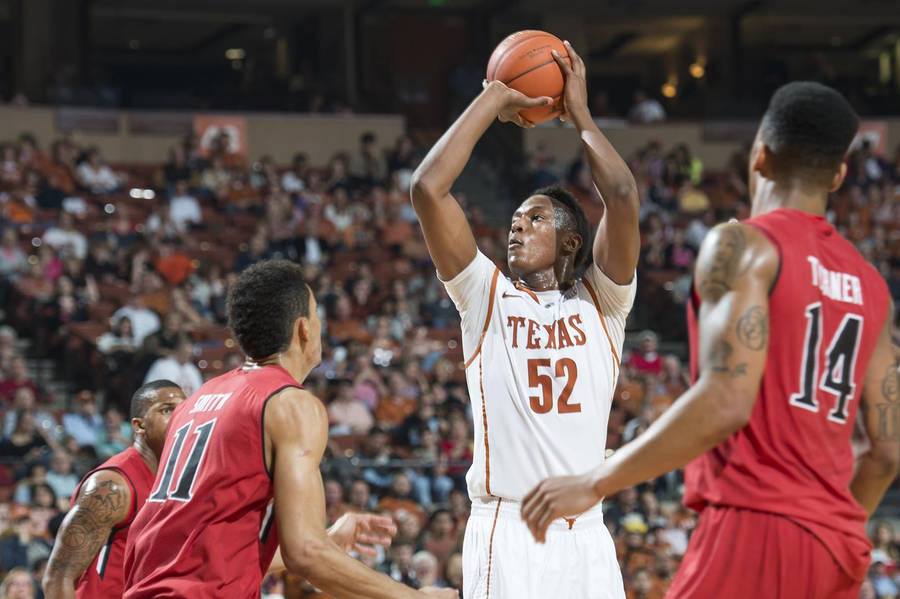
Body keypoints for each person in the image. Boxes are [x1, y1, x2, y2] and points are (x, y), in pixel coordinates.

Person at [521, 81, 900, 598]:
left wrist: (595, 482)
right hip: (838, 546)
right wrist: (827, 527)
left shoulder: (743, 244)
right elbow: (886, 455)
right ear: (838, 174)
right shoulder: (873, 287)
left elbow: (726, 401)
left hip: (756, 526)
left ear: (760, 156)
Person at [410, 41, 639, 598]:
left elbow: (624, 195)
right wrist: (495, 97)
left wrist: (579, 115)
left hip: (586, 535)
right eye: (513, 220)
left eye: (533, 219)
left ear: (569, 240)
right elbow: (427, 188)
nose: (515, 227)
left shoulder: (603, 304)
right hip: (508, 528)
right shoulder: (485, 296)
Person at [123, 260, 456, 598]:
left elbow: (200, 555)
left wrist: (327, 538)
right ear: (304, 329)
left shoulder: (195, 401)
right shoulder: (290, 404)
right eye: (317, 316)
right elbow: (306, 556)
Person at [42, 381, 186, 599]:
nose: (179, 417)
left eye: (184, 409)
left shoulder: (180, 479)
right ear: (139, 425)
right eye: (167, 410)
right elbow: (57, 577)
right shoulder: (112, 485)